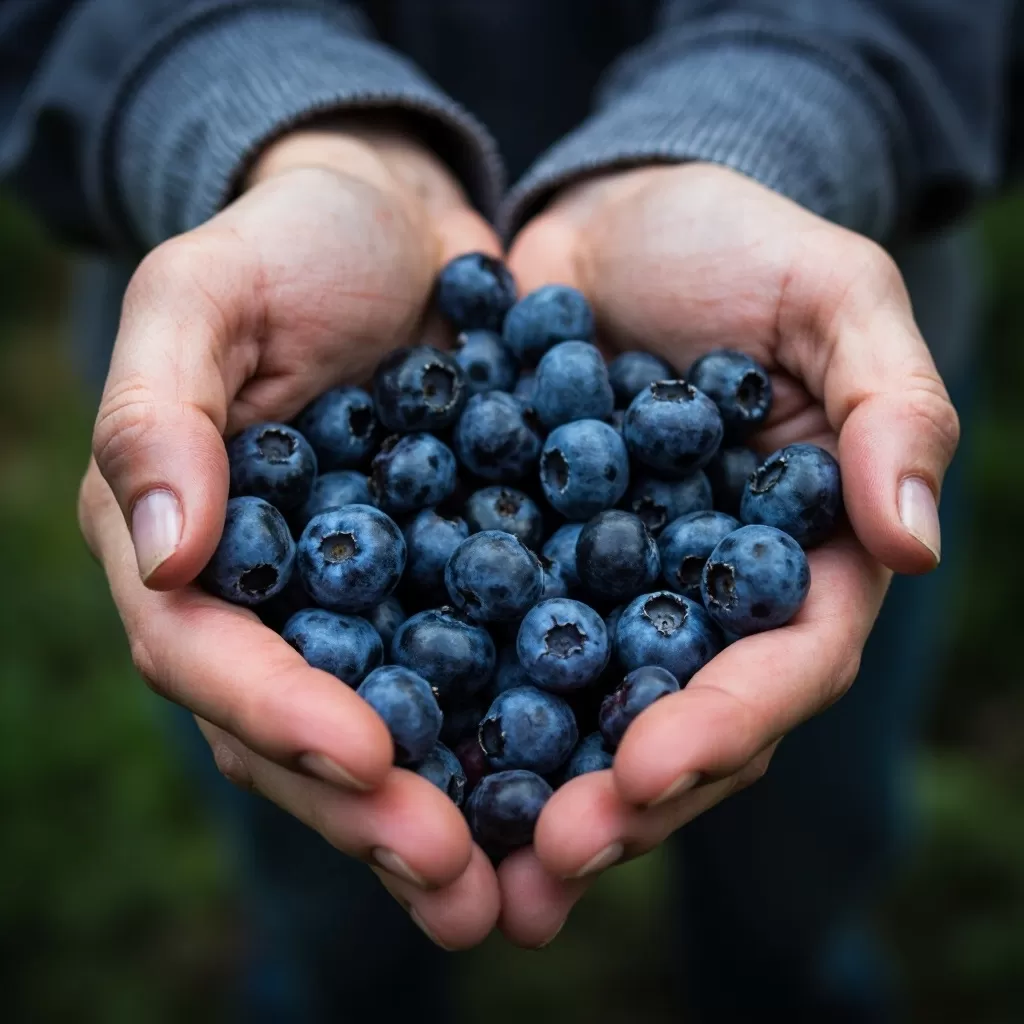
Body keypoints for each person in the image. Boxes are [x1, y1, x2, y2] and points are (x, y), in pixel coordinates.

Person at [0, 0, 1009, 1019]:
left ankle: (788, 977)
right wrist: (278, 128)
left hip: (801, 313)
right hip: (261, 300)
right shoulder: (406, 494)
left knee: (808, 836)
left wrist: (775, 116)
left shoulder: (657, 478)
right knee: (316, 840)